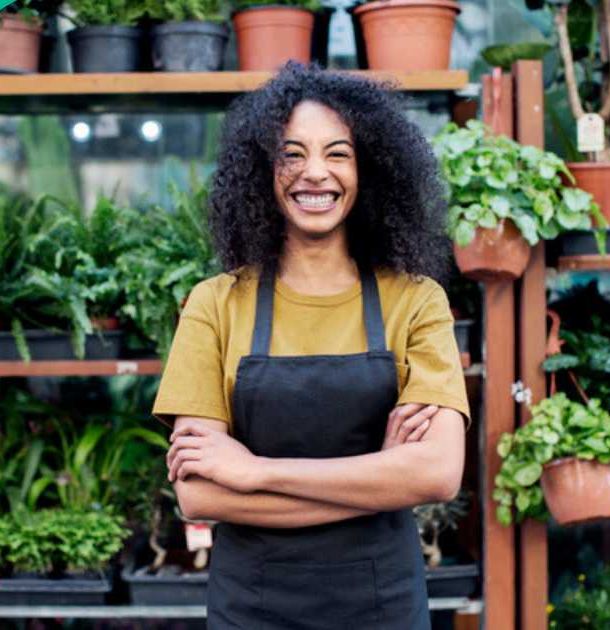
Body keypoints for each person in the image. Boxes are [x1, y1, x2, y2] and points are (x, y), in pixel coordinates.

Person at [154, 62, 470, 630]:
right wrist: (381, 477)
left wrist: (254, 473)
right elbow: (199, 496)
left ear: (370, 169)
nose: (315, 174)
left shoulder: (416, 302)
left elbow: (439, 474)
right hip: (252, 608)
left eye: (338, 153)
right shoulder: (215, 304)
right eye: (291, 154)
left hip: (382, 607)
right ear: (261, 171)